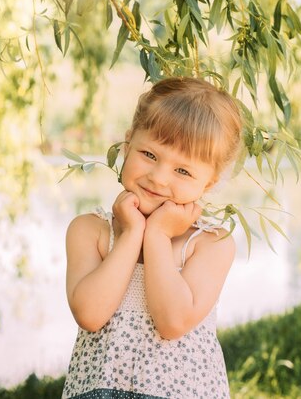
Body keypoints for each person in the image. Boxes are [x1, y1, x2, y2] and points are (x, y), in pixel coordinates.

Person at [62, 76, 243, 398]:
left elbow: (172, 322)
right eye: (149, 154)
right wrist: (132, 233)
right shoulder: (91, 230)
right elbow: (90, 315)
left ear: (209, 183)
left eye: (183, 171)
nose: (158, 178)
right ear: (127, 143)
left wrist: (157, 235)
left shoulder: (210, 244)